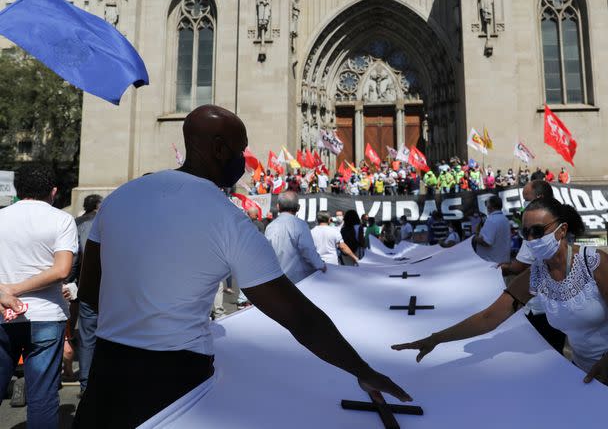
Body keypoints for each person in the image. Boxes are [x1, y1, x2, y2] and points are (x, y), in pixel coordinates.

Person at [74, 106, 409, 427]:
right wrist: (361, 369)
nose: (245, 161)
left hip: (106, 373)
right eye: (241, 150)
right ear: (219, 149)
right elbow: (299, 317)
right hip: (176, 383)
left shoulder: (120, 197)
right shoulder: (228, 219)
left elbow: (89, 290)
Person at [393, 198, 608, 414]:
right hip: (589, 376)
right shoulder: (536, 275)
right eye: (526, 232)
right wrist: (437, 338)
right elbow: (489, 317)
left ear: (562, 229)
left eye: (538, 231)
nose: (532, 239)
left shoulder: (595, 264)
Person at [0, 163, 79, 427]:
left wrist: (6, 290)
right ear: (54, 191)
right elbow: (62, 270)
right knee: (43, 397)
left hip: (2, 313)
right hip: (46, 315)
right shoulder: (62, 219)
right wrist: (16, 289)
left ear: (17, 189)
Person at [498, 180, 566, 354]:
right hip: (555, 309)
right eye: (525, 233)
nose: (531, 239)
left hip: (541, 311)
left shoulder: (536, 229)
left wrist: (504, 268)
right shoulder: (560, 218)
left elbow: (521, 265)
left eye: (527, 199)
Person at [266, 191, 327, 284]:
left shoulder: (270, 227)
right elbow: (308, 251)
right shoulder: (300, 225)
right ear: (298, 208)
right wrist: (321, 265)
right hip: (299, 281)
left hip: (276, 279)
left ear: (278, 207)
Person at [75, 194, 103, 395]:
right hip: (113, 289)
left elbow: (74, 258)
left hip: (87, 288)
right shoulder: (113, 222)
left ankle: (86, 384)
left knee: (87, 338)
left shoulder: (77, 224)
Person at [473, 196, 511, 265]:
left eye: (487, 204)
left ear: (490, 206)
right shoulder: (505, 219)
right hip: (501, 261)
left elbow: (486, 242)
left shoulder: (491, 220)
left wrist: (475, 238)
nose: (486, 207)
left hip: (491, 263)